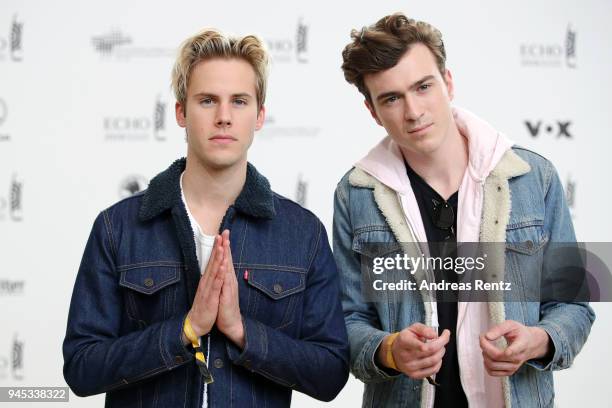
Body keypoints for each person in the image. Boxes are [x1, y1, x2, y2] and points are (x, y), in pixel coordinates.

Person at [63, 28, 349, 408]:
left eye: (240, 101)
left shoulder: (302, 232)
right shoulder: (119, 227)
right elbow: (82, 367)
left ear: (260, 115)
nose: (224, 117)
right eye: (208, 100)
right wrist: (185, 329)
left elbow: (329, 373)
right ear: (181, 112)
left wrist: (241, 331)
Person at [333, 12, 594, 408]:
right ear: (373, 111)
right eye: (391, 98)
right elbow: (344, 322)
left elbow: (574, 305)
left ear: (448, 82)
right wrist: (388, 350)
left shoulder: (533, 176)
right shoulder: (355, 194)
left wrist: (536, 341)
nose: (414, 111)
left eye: (423, 87)